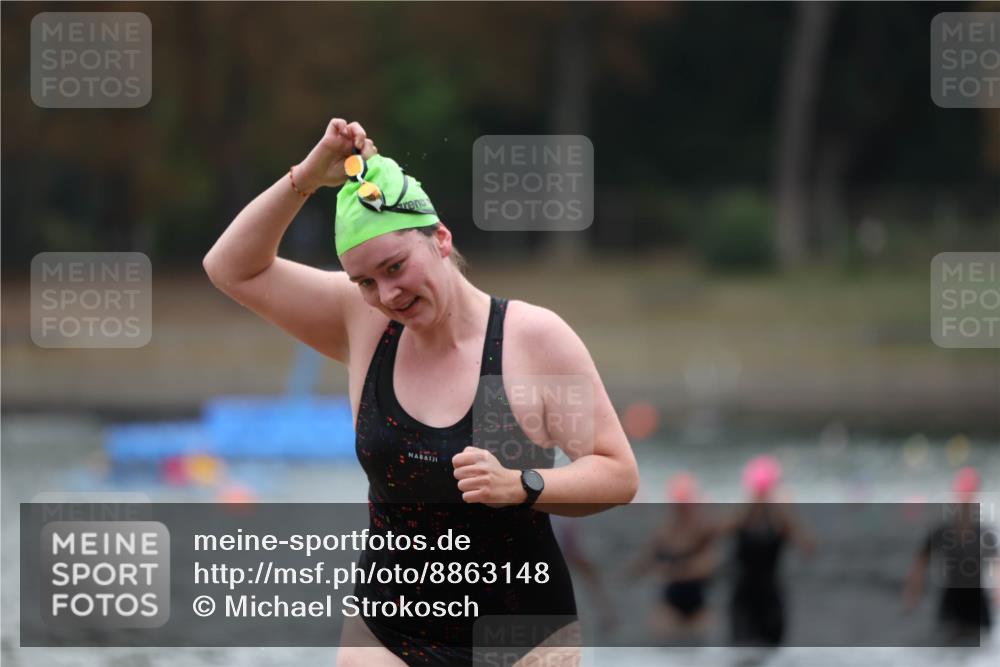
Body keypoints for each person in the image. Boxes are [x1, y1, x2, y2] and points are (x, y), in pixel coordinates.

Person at [203, 118, 640, 667]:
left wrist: (523, 484)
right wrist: (310, 175)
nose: (387, 295)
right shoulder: (361, 323)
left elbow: (617, 473)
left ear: (439, 238)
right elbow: (230, 268)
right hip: (386, 635)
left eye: (394, 267)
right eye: (365, 282)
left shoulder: (533, 340)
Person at [718, 455, 814, 648]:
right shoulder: (742, 515)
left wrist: (788, 514)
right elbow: (715, 531)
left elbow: (809, 547)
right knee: (742, 651)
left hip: (770, 596)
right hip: (744, 598)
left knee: (769, 652)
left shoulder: (779, 519)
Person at [903, 466, 998, 644]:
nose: (965, 499)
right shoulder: (942, 530)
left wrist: (998, 592)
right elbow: (920, 561)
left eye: (969, 494)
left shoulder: (984, 533)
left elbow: (996, 564)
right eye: (963, 494)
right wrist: (912, 596)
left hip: (978, 605)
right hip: (950, 604)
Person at [625, 472, 719, 641]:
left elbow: (707, 566)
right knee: (664, 644)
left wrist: (670, 572)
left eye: (684, 504)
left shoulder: (703, 528)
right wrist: (628, 574)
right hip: (670, 600)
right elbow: (647, 560)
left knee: (703, 644)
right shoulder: (665, 529)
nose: (682, 509)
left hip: (698, 599)